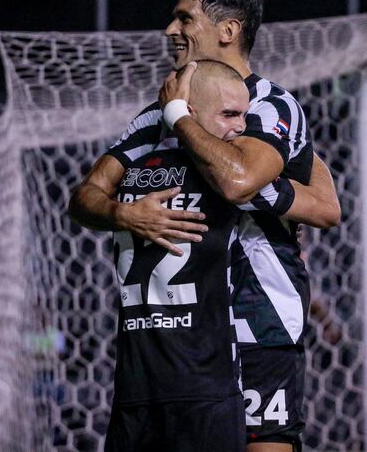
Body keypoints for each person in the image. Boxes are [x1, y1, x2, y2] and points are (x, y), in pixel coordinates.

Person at [69, 0, 340, 451]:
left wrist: (179, 119)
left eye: (184, 18)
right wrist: (122, 213)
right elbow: (86, 196)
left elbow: (239, 183)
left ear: (228, 30)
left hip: (257, 320)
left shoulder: (269, 105)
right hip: (176, 336)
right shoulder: (153, 116)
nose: (171, 31)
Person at [104, 61, 255, 451]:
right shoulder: (223, 176)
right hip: (204, 387)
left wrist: (119, 212)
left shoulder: (132, 173)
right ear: (189, 112)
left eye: (245, 115)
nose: (241, 127)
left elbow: (82, 199)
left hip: (135, 389)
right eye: (229, 114)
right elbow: (326, 210)